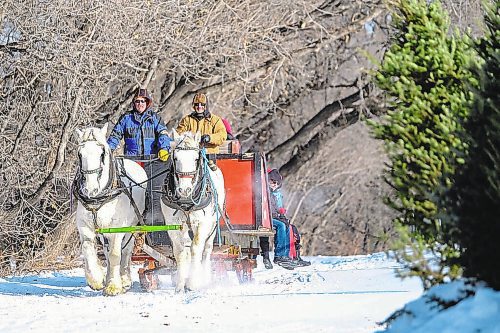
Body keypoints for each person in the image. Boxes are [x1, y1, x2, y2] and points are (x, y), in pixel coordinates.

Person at [107, 88, 172, 244]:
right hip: (132, 162)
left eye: (143, 101)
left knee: (152, 193)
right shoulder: (126, 119)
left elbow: (163, 134)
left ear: (147, 103)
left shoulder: (155, 118)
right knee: (127, 193)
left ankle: (154, 230)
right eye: (137, 101)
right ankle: (127, 223)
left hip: (151, 162)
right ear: (134, 103)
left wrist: (164, 148)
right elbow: (115, 135)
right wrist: (108, 150)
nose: (140, 104)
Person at [267, 168, 297, 270]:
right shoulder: (266, 192)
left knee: (287, 226)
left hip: (273, 216)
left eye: (276, 183)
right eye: (273, 182)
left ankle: (286, 255)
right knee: (281, 226)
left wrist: (281, 214)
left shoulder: (274, 193)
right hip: (267, 217)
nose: (275, 184)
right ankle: (279, 254)